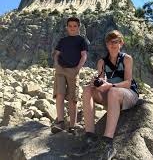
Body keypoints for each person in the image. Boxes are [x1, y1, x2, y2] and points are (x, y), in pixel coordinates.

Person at [75, 30, 138, 159]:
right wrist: (96, 83)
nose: (113, 44)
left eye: (116, 42)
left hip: (128, 94)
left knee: (113, 92)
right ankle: (90, 136)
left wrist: (110, 85)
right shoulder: (102, 62)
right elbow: (101, 81)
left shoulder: (126, 59)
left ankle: (107, 142)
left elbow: (127, 83)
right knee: (87, 89)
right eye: (110, 42)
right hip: (111, 95)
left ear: (121, 43)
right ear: (106, 44)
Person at [51, 16, 88, 134]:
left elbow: (84, 55)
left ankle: (72, 125)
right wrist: (56, 64)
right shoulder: (63, 41)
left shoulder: (81, 41)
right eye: (70, 26)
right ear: (67, 27)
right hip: (60, 70)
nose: (72, 28)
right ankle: (61, 122)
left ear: (79, 27)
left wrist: (77, 69)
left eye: (75, 26)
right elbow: (56, 54)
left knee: (73, 98)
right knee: (60, 94)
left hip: (73, 70)